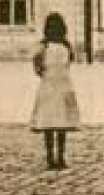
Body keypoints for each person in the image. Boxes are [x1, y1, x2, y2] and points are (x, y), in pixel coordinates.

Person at [29, 13, 80, 170]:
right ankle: (61, 158)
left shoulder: (42, 47)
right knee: (62, 125)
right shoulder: (67, 46)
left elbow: (37, 69)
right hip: (64, 86)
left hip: (49, 86)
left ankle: (50, 158)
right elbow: (69, 63)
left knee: (49, 125)